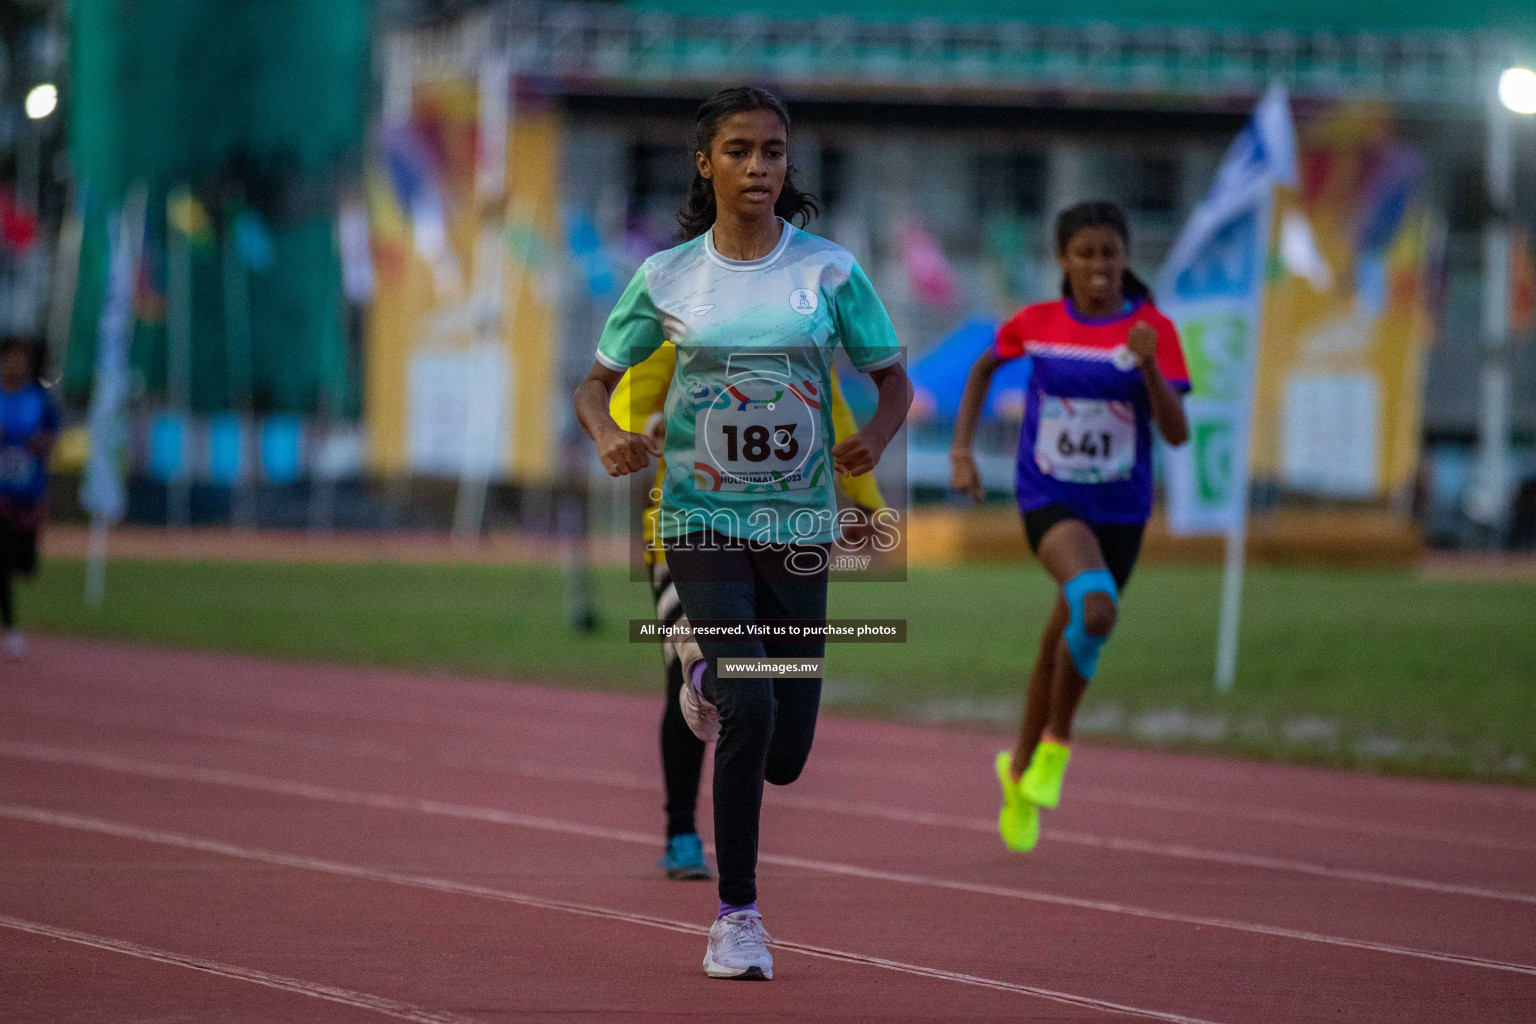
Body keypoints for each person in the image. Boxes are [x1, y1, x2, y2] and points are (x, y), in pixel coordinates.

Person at [573, 86, 910, 980]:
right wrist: (612, 438)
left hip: (799, 529)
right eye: (739, 150)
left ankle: (705, 681)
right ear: (705, 162)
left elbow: (894, 381)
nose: (759, 167)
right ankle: (738, 919)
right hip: (701, 519)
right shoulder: (668, 277)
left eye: (773, 151)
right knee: (750, 704)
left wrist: (870, 439)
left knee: (788, 754)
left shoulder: (831, 272)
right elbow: (592, 384)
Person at [949, 201, 1190, 853]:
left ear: (1126, 257)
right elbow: (981, 369)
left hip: (1122, 509)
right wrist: (963, 450)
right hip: (1049, 497)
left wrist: (1144, 366)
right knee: (1096, 605)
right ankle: (1056, 745)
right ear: (1063, 260)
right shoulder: (1036, 324)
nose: (1099, 267)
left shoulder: (1153, 330)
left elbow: (1177, 431)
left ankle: (1019, 770)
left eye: (1110, 253)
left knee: (1066, 635)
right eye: (1085, 254)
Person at [609, 342, 889, 882]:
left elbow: (830, 410)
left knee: (766, 712)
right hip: (686, 533)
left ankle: (714, 697)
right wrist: (644, 428)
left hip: (777, 535)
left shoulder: (797, 329)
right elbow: (631, 401)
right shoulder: (681, 320)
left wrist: (866, 496)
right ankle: (683, 831)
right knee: (691, 678)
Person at [0, 337, 60, 660]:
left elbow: (54, 440)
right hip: (1, 499)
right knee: (1, 562)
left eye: (21, 359)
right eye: (11, 358)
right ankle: (12, 630)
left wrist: (41, 443)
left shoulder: (41, 401)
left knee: (24, 567)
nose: (16, 364)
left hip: (29, 499)